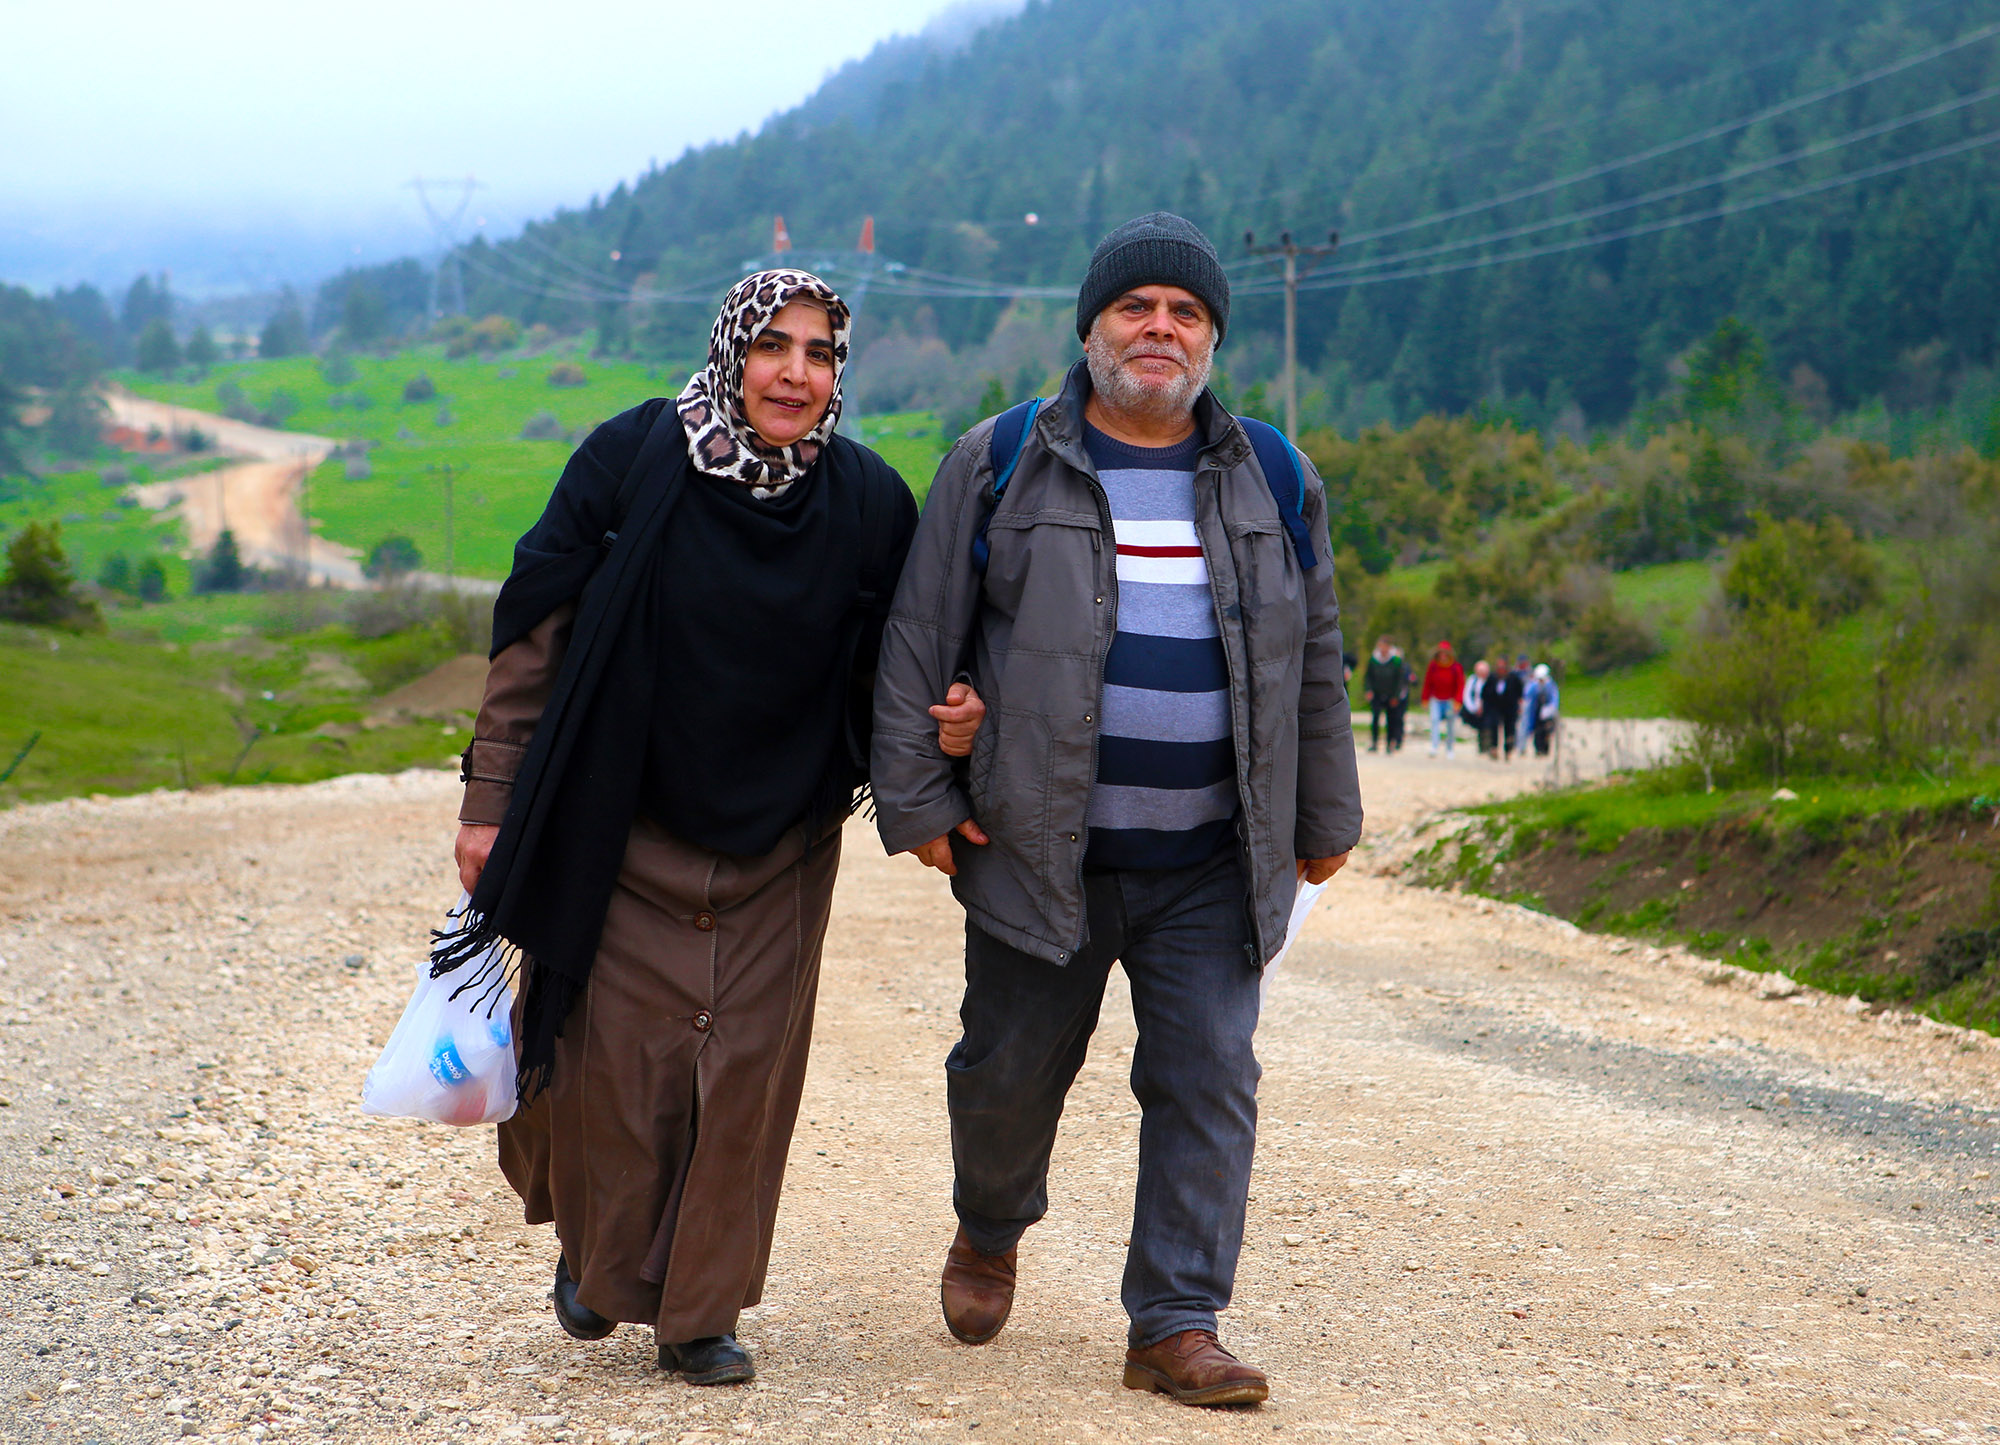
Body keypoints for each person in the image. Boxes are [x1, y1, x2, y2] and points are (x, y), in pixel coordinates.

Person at [438, 270, 980, 1386]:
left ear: (839, 372)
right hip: (620, 815)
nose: (794, 371)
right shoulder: (633, 461)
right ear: (732, 349)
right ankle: (598, 1261)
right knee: (613, 1070)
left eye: (820, 353)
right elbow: (535, 631)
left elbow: (904, 663)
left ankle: (697, 1310)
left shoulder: (870, 503)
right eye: (772, 346)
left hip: (782, 831)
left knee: (743, 1078)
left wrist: (953, 736)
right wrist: (490, 801)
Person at [869, 212, 1363, 1408]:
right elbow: (915, 638)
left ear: (1209, 339)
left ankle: (1174, 1320)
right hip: (1036, 848)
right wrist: (918, 800)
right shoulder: (996, 461)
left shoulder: (1274, 474)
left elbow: (1316, 654)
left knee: (1207, 1075)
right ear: (1089, 329)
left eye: (1184, 312)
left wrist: (1325, 813)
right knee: (1005, 1071)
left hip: (1210, 856)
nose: (1159, 328)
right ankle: (988, 1225)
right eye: (1134, 307)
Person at [1420, 640, 1465, 757]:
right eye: (1441, 653)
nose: (1443, 655)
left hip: (1450, 700)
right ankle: (1434, 746)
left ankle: (1449, 749)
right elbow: (1428, 682)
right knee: (1434, 721)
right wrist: (1425, 698)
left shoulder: (1456, 667)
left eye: (1445, 653)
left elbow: (1460, 685)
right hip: (1436, 699)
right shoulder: (1433, 666)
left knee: (1450, 725)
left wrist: (1458, 701)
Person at [1362, 636, 1406, 754]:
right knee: (1375, 718)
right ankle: (1374, 742)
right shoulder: (1373, 659)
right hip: (1376, 694)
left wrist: (1396, 696)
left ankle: (1389, 743)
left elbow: (1400, 680)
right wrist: (1368, 690)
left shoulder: (1396, 660)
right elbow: (1368, 676)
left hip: (1391, 695)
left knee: (1391, 719)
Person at [1521, 662, 1560, 756]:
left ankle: (1545, 749)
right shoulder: (1534, 685)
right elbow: (1527, 695)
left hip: (1547, 713)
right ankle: (1538, 749)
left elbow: (1554, 698)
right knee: (1537, 731)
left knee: (1546, 731)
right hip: (1536, 711)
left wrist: (1551, 709)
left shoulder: (1550, 685)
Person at [1479, 654, 1514, 759]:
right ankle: (1493, 748)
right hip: (1494, 707)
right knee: (1493, 727)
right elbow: (1484, 693)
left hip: (1509, 707)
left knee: (1509, 729)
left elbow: (1518, 693)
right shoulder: (1492, 678)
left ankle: (1508, 750)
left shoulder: (1512, 678)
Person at [1461, 658, 1488, 753]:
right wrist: (1473, 708)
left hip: (1487, 709)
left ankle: (1487, 747)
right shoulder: (1472, 680)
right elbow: (1467, 695)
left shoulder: (1490, 680)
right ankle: (1481, 748)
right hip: (1474, 709)